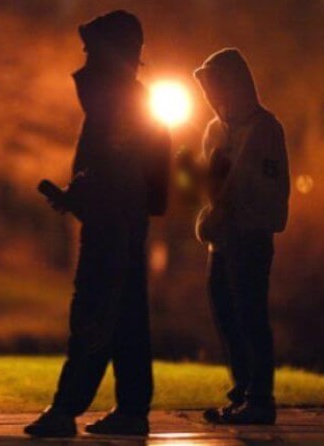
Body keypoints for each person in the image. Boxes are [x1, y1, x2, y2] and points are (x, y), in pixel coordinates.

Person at [24, 10, 170, 438]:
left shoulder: (119, 104)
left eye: (91, 51)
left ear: (110, 54)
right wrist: (79, 194)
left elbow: (116, 166)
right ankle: (131, 409)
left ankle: (66, 409)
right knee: (126, 317)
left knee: (94, 311)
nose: (84, 60)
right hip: (123, 219)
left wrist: (83, 195)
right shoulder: (130, 101)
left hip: (112, 224)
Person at [193, 48, 290, 425]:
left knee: (250, 313)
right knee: (225, 312)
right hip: (221, 239)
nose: (210, 93)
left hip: (250, 235)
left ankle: (260, 398)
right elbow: (209, 183)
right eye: (207, 86)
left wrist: (225, 210)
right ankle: (244, 388)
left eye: (216, 84)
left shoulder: (264, 128)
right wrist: (208, 211)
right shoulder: (214, 130)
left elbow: (260, 184)